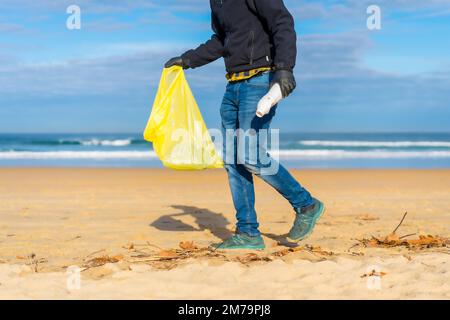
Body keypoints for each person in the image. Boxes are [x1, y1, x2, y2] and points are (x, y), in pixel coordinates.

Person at [165, 0, 324, 250]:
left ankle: (306, 204)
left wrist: (284, 69)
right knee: (234, 162)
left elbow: (282, 23)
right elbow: (222, 40)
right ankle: (248, 233)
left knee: (251, 156)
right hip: (233, 87)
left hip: (260, 82)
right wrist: (188, 60)